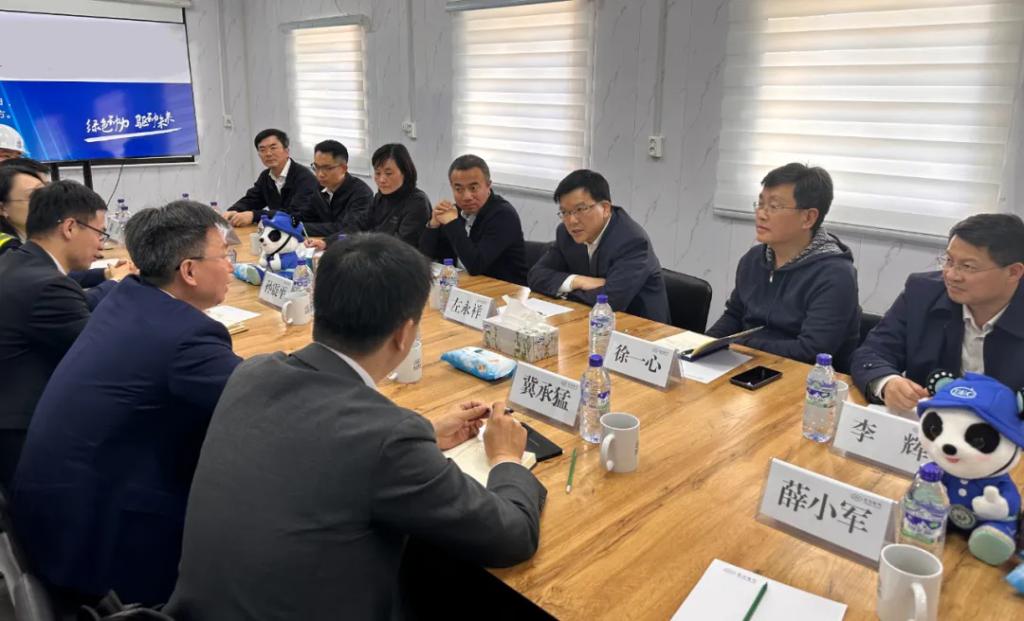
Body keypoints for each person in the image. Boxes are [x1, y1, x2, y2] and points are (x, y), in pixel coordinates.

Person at [166, 233, 546, 620]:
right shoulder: (387, 438)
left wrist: (426, 434)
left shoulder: (253, 372)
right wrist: (505, 457)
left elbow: (324, 446)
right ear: (404, 333)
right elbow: (511, 537)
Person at [11, 200, 242, 607]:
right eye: (225, 255)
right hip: (98, 546)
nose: (231, 266)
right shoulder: (185, 337)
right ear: (189, 271)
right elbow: (259, 399)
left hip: (51, 516)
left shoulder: (127, 298)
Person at [0, 180, 117, 488]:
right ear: (69, 227)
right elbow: (103, 357)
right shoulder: (48, 285)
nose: (101, 245)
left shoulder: (16, 261)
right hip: (22, 433)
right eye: (100, 233)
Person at [852, 213, 1024, 413]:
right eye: (949, 260)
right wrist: (887, 382)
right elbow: (872, 352)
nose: (951, 275)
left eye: (967, 266)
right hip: (927, 423)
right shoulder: (922, 293)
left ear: (1013, 272)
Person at [705, 163, 860, 367]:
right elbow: (734, 315)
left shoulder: (835, 275)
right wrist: (704, 344)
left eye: (774, 206)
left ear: (808, 218)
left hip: (806, 379)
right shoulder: (753, 259)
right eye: (760, 204)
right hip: (751, 366)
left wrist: (741, 345)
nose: (761, 214)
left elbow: (811, 350)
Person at [527, 169, 670, 322]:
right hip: (589, 320)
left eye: (580, 209)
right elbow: (536, 275)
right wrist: (577, 281)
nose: (571, 221)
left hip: (641, 328)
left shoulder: (632, 241)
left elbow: (611, 301)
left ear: (605, 209)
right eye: (565, 212)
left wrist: (562, 289)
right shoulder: (566, 233)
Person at [419, 154, 527, 285]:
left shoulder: (503, 215)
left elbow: (476, 265)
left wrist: (453, 224)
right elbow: (423, 258)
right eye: (458, 189)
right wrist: (433, 225)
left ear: (488, 185)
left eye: (473, 188)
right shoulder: (454, 212)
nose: (467, 196)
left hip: (504, 290)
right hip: (464, 286)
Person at [307, 143, 430, 250]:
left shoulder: (417, 202)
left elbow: (402, 245)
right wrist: (327, 242)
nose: (381, 180)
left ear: (405, 172)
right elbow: (358, 227)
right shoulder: (380, 197)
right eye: (377, 173)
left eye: (388, 173)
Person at [225, 128, 319, 227]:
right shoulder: (266, 176)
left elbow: (294, 213)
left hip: (306, 232)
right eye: (262, 150)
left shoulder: (305, 177)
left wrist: (254, 216)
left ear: (286, 151)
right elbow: (252, 200)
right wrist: (234, 210)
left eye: (273, 148)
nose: (268, 154)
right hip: (280, 230)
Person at [299, 139, 373, 237]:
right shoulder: (318, 187)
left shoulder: (362, 193)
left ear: (343, 168)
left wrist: (300, 227)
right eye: (316, 167)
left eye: (327, 168)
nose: (320, 174)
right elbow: (306, 216)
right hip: (320, 242)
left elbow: (347, 229)